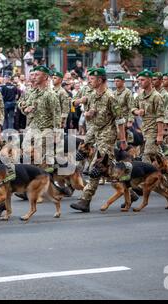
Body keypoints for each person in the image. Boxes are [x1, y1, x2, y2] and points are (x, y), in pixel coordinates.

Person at [70, 68, 127, 213]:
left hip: (107, 134)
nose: (89, 81)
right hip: (93, 131)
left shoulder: (110, 97)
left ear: (100, 80)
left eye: (92, 78)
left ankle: (85, 200)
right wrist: (86, 112)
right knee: (106, 168)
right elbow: (75, 106)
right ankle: (130, 191)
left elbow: (120, 119)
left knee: (97, 166)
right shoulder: (92, 94)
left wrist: (122, 139)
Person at [131, 70, 165, 163]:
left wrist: (160, 135)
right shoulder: (140, 96)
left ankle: (148, 175)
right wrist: (137, 111)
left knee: (147, 155)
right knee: (155, 153)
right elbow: (132, 107)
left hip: (153, 130)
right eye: (138, 80)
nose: (140, 82)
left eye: (142, 80)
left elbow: (160, 117)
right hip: (144, 129)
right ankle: (167, 168)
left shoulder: (156, 96)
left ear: (150, 80)